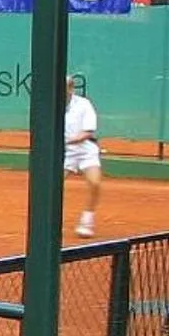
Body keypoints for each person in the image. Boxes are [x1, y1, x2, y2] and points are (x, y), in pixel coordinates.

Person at [65, 71, 102, 238]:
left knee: (95, 183)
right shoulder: (52, 106)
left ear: (71, 89)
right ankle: (49, 221)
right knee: (52, 187)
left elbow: (87, 132)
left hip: (86, 150)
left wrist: (69, 141)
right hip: (65, 153)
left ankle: (87, 220)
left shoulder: (84, 104)